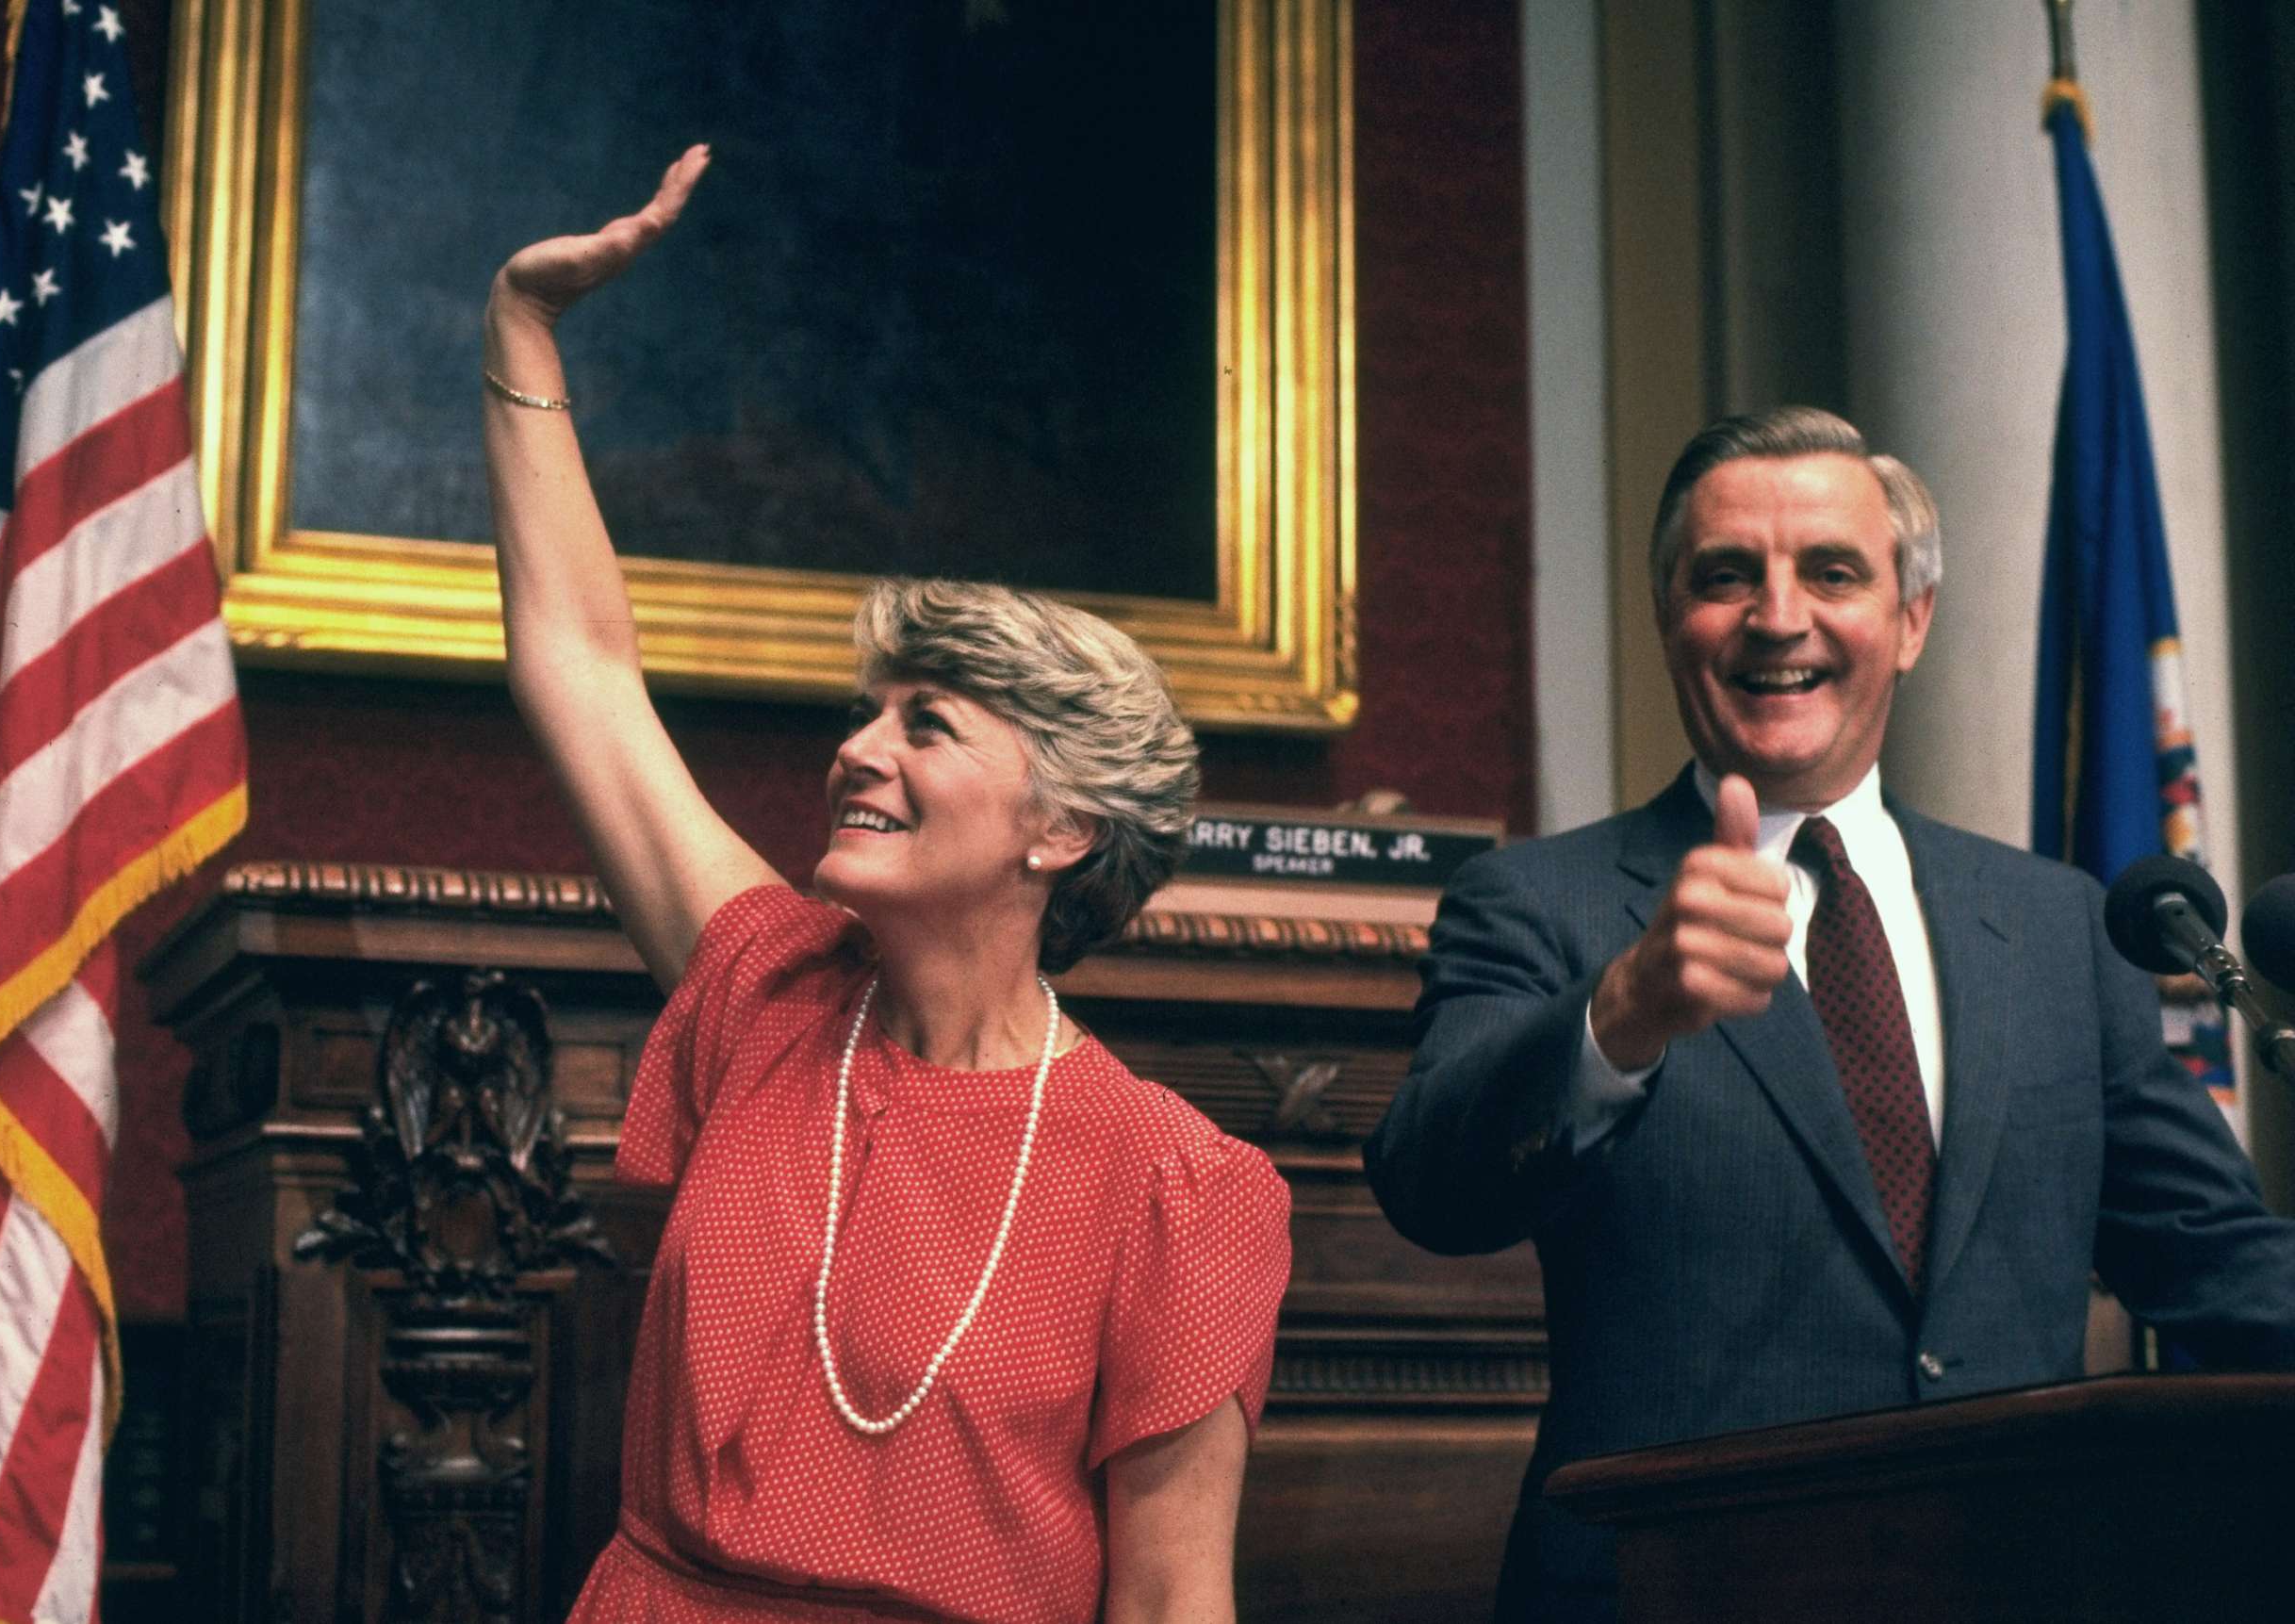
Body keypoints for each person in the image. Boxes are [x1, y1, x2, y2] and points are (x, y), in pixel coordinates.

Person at [484, 146, 1291, 1624]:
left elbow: (1175, 1604)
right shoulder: (763, 993)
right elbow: (583, 673)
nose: (859, 749)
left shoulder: (1180, 1189)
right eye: (871, 710)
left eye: (928, 724)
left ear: (1061, 830)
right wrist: (523, 335)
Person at [1362, 405, 2295, 1622]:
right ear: (1668, 619)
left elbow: (2214, 1261)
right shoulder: (1542, 902)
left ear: (1910, 621)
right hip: (1678, 1596)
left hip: (2023, 1582)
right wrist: (1625, 1011)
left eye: (1833, 572)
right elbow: (1433, 1186)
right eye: (1726, 576)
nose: (1779, 616)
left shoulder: (2059, 927)